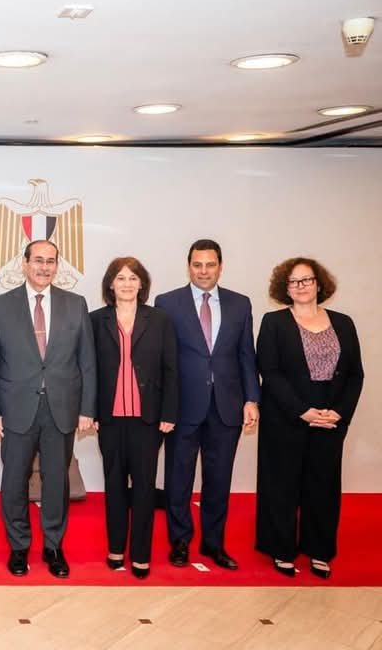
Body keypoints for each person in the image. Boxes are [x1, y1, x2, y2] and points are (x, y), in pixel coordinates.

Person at [0, 239, 96, 579]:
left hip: (61, 408)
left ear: (57, 266)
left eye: (50, 261)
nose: (44, 267)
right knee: (14, 480)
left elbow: (87, 361)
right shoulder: (0, 306)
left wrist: (87, 408)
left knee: (56, 481)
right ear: (24, 263)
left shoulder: (75, 304)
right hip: (15, 408)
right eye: (38, 260)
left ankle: (53, 546)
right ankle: (19, 547)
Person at [155, 239, 259, 571]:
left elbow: (246, 355)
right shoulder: (167, 303)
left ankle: (214, 543)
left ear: (220, 267)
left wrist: (252, 399)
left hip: (226, 406)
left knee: (219, 479)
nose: (203, 271)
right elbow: (163, 360)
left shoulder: (240, 304)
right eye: (197, 265)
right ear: (189, 266)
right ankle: (180, 541)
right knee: (178, 479)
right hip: (183, 407)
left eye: (210, 264)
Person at [255, 258, 363, 579]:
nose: (301, 286)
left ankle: (320, 550)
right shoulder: (274, 322)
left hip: (330, 416)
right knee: (281, 484)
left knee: (323, 486)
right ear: (285, 288)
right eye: (294, 281)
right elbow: (269, 371)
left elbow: (355, 374)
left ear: (319, 284)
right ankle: (281, 549)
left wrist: (339, 412)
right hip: (286, 415)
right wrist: (301, 411)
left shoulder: (343, 323)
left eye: (306, 279)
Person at [90, 257, 178, 579]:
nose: (127, 283)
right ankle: (115, 548)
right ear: (110, 284)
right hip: (110, 419)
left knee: (143, 488)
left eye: (133, 278)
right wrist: (90, 410)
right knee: (114, 486)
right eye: (120, 278)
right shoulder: (95, 320)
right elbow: (88, 370)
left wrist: (169, 412)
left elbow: (171, 369)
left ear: (142, 284)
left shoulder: (160, 320)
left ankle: (141, 554)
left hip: (148, 419)